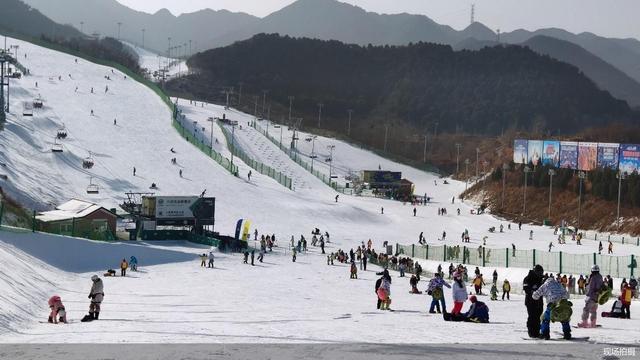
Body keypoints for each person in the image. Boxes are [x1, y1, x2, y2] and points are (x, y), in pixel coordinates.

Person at [532, 275, 573, 340]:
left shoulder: (545, 285)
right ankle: (567, 333)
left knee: (545, 319)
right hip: (561, 304)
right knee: (564, 318)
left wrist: (533, 293)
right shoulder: (558, 284)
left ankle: (545, 334)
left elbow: (535, 296)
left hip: (552, 305)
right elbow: (567, 295)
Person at [523, 265, 545, 338]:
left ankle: (537, 332)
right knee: (532, 316)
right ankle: (531, 332)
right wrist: (533, 292)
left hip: (539, 301)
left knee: (538, 316)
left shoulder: (541, 279)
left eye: (542, 272)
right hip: (530, 301)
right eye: (540, 272)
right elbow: (526, 288)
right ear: (536, 272)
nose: (541, 274)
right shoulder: (528, 278)